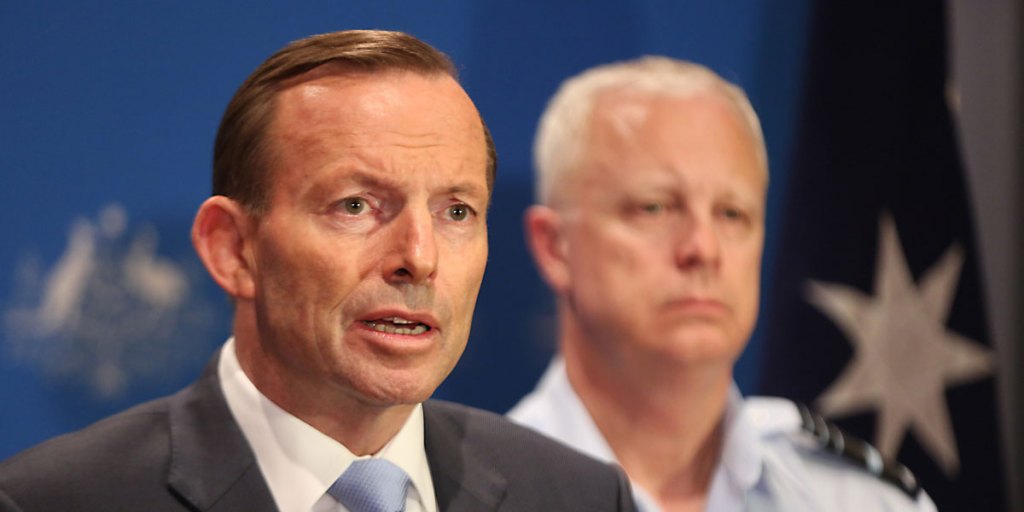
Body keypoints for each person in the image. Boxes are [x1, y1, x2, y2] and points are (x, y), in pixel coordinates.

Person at [0, 30, 637, 512]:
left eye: (457, 210)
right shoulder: (51, 501)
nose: (420, 256)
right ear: (232, 249)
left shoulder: (576, 495)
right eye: (355, 205)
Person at [508, 56, 937, 511]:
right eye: (654, 207)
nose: (703, 248)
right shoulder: (471, 497)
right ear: (556, 247)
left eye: (732, 213)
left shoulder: (865, 503)